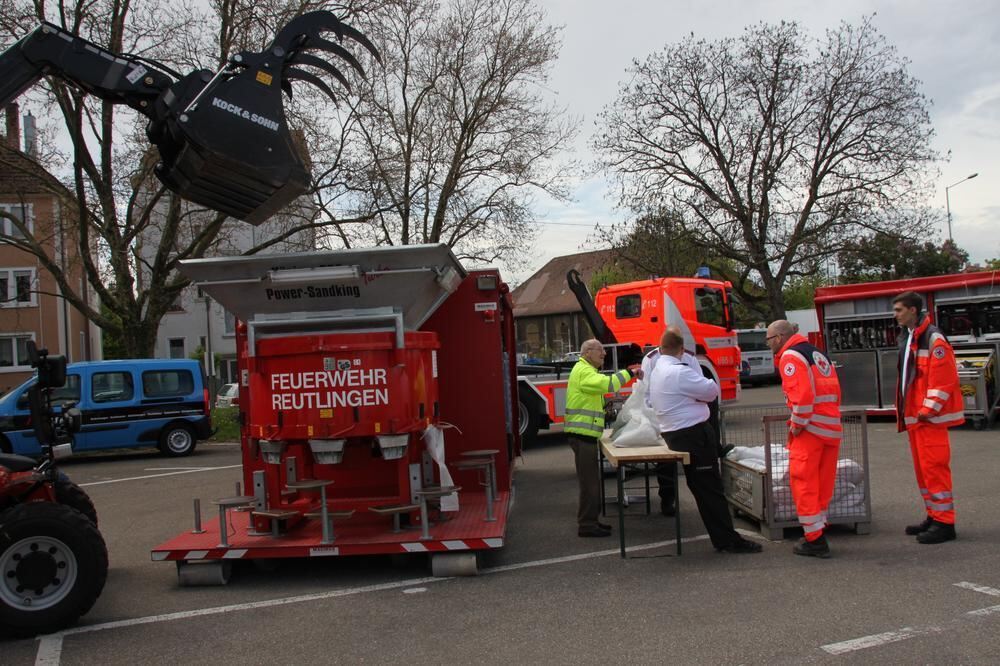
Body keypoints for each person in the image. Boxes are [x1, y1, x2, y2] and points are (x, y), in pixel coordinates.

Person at [648, 329, 761, 554]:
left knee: (700, 486)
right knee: (710, 488)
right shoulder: (679, 372)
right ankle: (728, 539)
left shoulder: (658, 368)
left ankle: (723, 537)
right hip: (694, 435)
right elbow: (711, 391)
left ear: (661, 349)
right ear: (681, 349)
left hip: (674, 433)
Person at [766, 320, 842, 558]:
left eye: (768, 339)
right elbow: (835, 391)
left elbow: (802, 396)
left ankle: (815, 539)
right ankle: (818, 529)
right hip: (830, 426)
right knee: (822, 483)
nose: (768, 344)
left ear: (778, 337)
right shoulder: (817, 353)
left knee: (804, 483)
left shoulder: (791, 357)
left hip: (811, 430)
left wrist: (797, 424)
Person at [893, 291, 962, 544]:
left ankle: (945, 523)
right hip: (917, 419)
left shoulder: (932, 338)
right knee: (924, 472)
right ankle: (935, 515)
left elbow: (943, 379)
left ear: (913, 310)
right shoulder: (912, 336)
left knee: (935, 469)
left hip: (928, 419)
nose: (895, 315)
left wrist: (928, 410)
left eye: (899, 310)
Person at [565, 339, 641, 537]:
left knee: (591, 482)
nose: (604, 354)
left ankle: (591, 521)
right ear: (588, 352)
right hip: (583, 437)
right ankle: (587, 525)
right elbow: (608, 384)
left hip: (585, 436)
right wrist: (631, 372)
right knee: (589, 484)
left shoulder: (585, 370)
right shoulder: (584, 371)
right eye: (600, 350)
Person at [639, 326, 716, 517]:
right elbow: (645, 392)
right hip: (659, 417)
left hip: (683, 419)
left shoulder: (689, 358)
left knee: (698, 472)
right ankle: (667, 499)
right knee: (666, 466)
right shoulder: (650, 360)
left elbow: (699, 385)